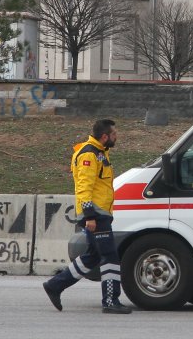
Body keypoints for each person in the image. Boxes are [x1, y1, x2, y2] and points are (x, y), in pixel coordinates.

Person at [42, 119, 132, 314]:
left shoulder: (99, 152)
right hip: (96, 214)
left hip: (99, 213)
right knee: (110, 256)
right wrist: (90, 216)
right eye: (114, 134)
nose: (117, 137)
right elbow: (84, 188)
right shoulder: (89, 154)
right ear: (105, 136)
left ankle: (55, 285)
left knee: (92, 256)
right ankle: (110, 299)